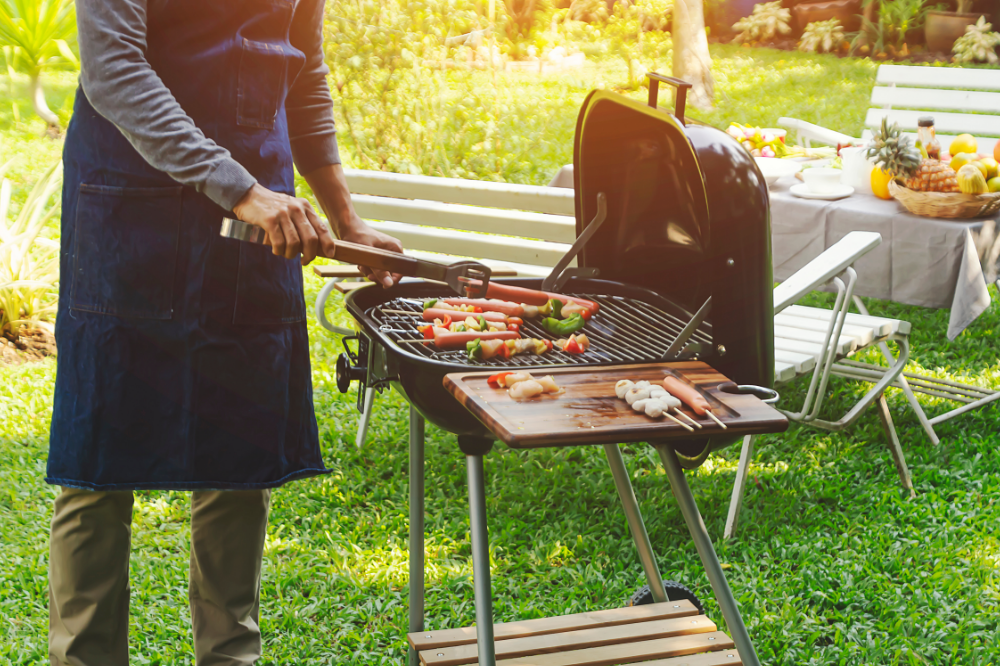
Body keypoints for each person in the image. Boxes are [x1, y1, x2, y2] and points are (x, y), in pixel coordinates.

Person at [46, 0, 402, 663]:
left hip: (265, 205)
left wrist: (344, 218)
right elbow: (115, 68)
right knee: (98, 447)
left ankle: (230, 655)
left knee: (240, 445)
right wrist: (237, 188)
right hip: (130, 198)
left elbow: (303, 68)